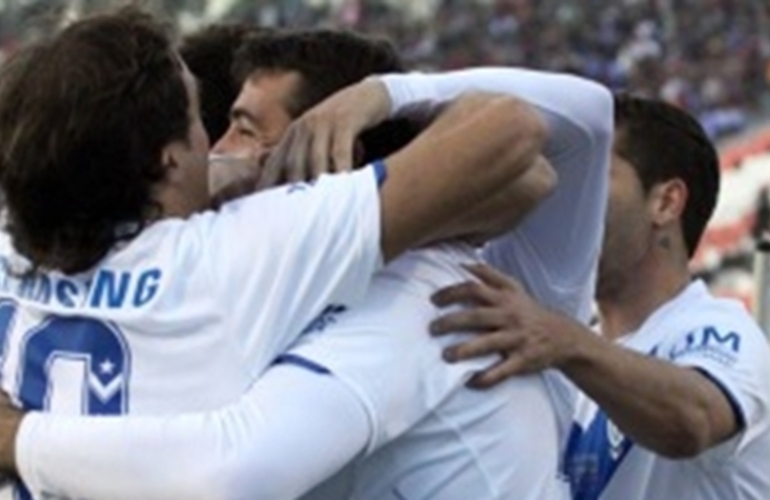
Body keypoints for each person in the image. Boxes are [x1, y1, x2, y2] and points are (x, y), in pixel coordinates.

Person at [0, 28, 613, 499]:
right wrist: (389, 98)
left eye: (243, 130)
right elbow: (522, 157)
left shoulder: (428, 299)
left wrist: (385, 95)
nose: (219, 151)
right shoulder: (241, 254)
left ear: (335, 154)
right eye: (207, 126)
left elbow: (537, 153)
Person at [429, 95, 770, 500]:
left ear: (665, 202)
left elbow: (694, 421)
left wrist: (563, 341)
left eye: (591, 179)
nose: (565, 201)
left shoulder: (720, 331)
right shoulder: (564, 356)